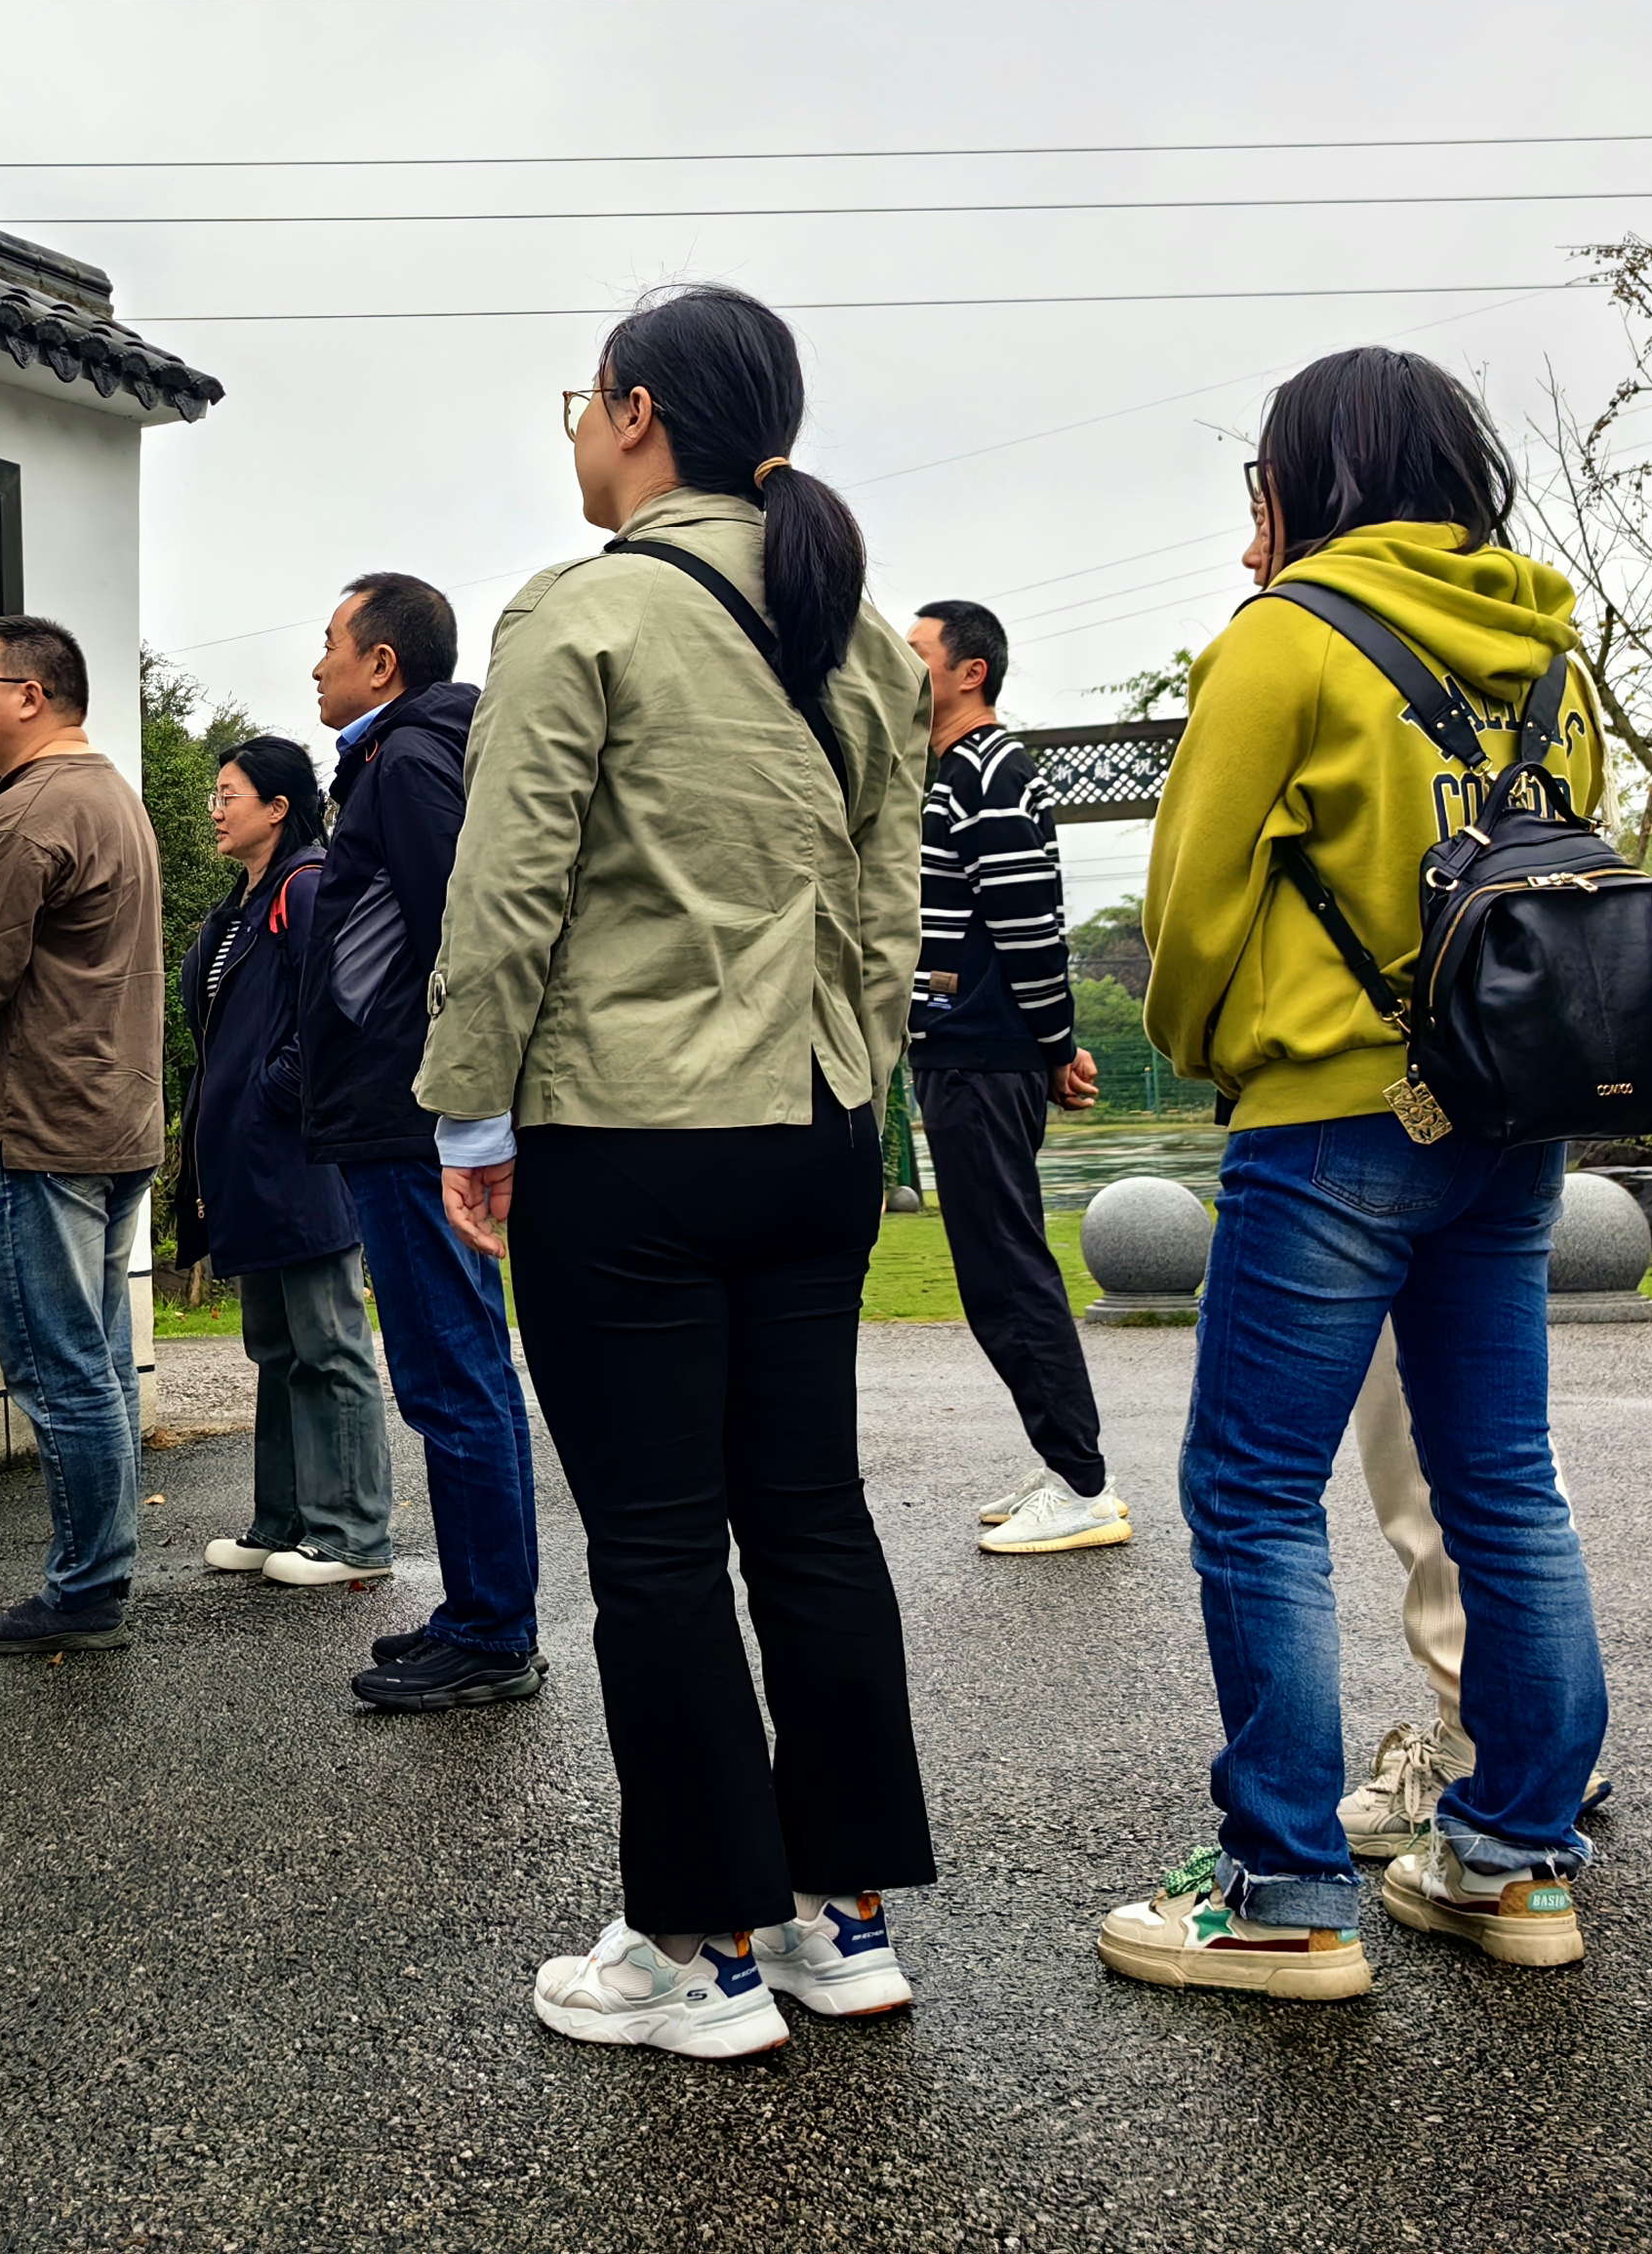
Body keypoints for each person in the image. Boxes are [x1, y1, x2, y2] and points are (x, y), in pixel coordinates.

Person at [423, 283, 934, 2062]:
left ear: (635, 412)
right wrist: (845, 1074)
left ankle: (699, 1943)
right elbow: (884, 909)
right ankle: (840, 1922)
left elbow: (508, 894)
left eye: (585, 400)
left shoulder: (585, 609)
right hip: (814, 1125)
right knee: (807, 1513)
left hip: (627, 1134)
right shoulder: (861, 632)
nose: (578, 427)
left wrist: (467, 1112)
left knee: (653, 1543)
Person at [1101, 345, 1607, 1999]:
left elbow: (1189, 907)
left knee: (1251, 1491)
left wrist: (1223, 1047)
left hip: (1330, 1117)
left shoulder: (1285, 638)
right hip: (1508, 1117)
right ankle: (1514, 1860)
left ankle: (1281, 1897)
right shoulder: (1550, 650)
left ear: (1300, 475)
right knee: (1500, 1481)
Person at [286, 571, 546, 1714]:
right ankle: (477, 1614)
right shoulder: (403, 758)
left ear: (381, 663)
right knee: (454, 1369)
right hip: (404, 1110)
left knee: (454, 1374)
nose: (316, 666)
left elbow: (463, 925)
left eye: (330, 645)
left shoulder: (406, 764)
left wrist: (461, 1107)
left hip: (412, 1117)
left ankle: (493, 1632)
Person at [0, 615, 165, 1658]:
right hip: (111, 1117)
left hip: (38, 1125)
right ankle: (98, 1573)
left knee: (61, 1367)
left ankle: (87, 1588)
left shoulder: (29, 814)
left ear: (33, 695)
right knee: (94, 1359)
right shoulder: (111, 797)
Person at [903, 597, 1120, 1554]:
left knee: (1005, 1269)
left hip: (983, 1052)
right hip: (967, 1049)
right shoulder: (946, 773)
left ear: (967, 672)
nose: (899, 669)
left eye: (914, 655)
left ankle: (1080, 1484)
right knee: (997, 1262)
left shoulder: (991, 768)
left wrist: (1051, 1044)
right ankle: (1062, 1457)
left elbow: (1030, 923)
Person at [179, 736, 395, 1590]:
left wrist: (282, 1089)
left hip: (301, 1157)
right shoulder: (243, 901)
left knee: (329, 1343)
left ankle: (353, 1538)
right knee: (275, 1346)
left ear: (277, 806)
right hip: (251, 1162)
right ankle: (285, 1523)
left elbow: (344, 1009)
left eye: (229, 793)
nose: (215, 808)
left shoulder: (307, 886)